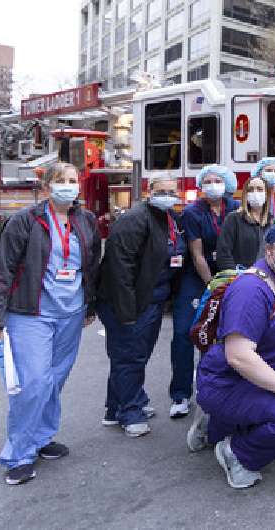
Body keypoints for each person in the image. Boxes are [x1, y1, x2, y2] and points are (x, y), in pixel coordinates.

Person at [0, 162, 101, 485]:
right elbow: (2, 271)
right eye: (60, 181)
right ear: (46, 188)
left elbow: (91, 267)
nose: (68, 186)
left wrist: (90, 304)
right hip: (30, 313)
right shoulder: (25, 221)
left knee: (54, 380)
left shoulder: (86, 220)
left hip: (71, 314)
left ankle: (43, 436)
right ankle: (18, 454)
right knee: (32, 383)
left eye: (73, 181)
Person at [194, 222, 275, 489]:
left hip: (261, 380)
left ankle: (215, 425)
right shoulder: (251, 289)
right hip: (227, 382)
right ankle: (235, 454)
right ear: (269, 251)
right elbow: (238, 356)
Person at [95, 174, 185, 438]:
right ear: (149, 191)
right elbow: (119, 268)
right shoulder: (135, 219)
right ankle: (129, 412)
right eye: (161, 190)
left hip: (152, 300)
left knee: (134, 357)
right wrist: (127, 313)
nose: (167, 195)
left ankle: (115, 408)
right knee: (129, 357)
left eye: (171, 190)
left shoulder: (169, 219)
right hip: (128, 303)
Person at [169, 165, 239, 418]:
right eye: (207, 181)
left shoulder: (235, 207)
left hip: (229, 273)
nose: (212, 185)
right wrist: (213, 286)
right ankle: (180, 394)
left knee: (225, 334)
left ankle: (217, 390)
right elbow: (197, 256)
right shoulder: (192, 212)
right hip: (199, 277)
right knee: (185, 333)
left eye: (217, 180)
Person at [217, 175, 274, 270]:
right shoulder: (233, 219)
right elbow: (224, 255)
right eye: (251, 190)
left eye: (260, 189)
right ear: (245, 195)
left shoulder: (272, 221)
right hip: (239, 278)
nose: (255, 193)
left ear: (266, 194)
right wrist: (236, 277)